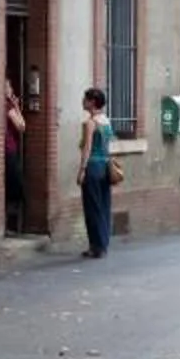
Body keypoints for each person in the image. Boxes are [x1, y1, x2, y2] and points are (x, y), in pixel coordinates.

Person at [75, 85, 115, 258]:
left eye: (85, 99)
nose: (83, 101)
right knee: (104, 205)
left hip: (93, 166)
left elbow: (87, 148)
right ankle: (103, 243)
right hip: (105, 166)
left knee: (92, 207)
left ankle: (95, 246)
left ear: (92, 102)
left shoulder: (90, 123)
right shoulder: (106, 122)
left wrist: (82, 170)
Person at [1, 79, 29, 235]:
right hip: (9, 150)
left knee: (11, 186)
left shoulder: (5, 106)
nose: (11, 89)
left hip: (7, 149)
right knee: (15, 186)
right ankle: (10, 225)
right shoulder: (8, 107)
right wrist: (17, 107)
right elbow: (22, 126)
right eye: (8, 86)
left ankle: (9, 224)